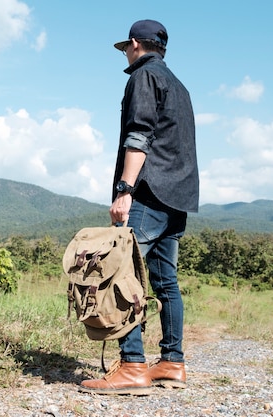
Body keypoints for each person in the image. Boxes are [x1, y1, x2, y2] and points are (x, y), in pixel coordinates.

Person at [79, 19, 199, 395]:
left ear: (134, 44)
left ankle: (132, 366)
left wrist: (125, 189)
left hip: (148, 192)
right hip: (177, 196)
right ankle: (171, 362)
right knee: (166, 282)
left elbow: (140, 134)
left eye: (126, 48)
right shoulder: (179, 85)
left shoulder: (142, 77)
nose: (126, 54)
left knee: (118, 273)